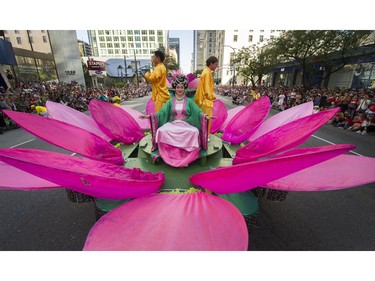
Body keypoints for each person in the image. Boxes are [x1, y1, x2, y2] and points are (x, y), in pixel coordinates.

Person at [140, 75, 214, 167]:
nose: (180, 89)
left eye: (182, 87)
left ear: (184, 88)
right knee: (161, 131)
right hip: (173, 124)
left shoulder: (189, 101)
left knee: (194, 132)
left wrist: (205, 116)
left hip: (186, 124)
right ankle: (170, 150)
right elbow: (161, 113)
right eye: (178, 87)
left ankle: (185, 152)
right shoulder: (171, 101)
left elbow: (197, 111)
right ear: (175, 88)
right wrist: (149, 116)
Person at [194, 56, 218, 136]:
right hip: (206, 101)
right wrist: (213, 96)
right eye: (215, 64)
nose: (216, 66)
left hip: (204, 101)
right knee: (207, 121)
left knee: (204, 121)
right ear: (211, 63)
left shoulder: (206, 71)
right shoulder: (207, 73)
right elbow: (207, 90)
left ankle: (203, 136)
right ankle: (205, 137)